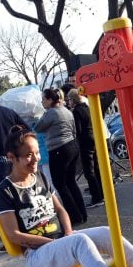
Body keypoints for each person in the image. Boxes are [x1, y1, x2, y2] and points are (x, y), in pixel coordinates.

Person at [0, 127, 133, 267]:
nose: (35, 159)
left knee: (107, 232)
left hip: (60, 243)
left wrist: (67, 233)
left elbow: (60, 209)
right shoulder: (4, 191)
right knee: (79, 242)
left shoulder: (39, 176)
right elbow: (14, 236)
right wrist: (57, 242)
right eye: (28, 155)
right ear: (11, 157)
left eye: (37, 153)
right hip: (38, 257)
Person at [34, 88, 88, 225]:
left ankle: (74, 216)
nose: (42, 102)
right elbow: (74, 129)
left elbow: (38, 127)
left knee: (60, 184)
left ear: (51, 100)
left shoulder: (51, 113)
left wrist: (39, 115)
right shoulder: (67, 110)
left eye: (43, 99)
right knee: (71, 182)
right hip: (72, 145)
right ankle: (82, 213)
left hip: (58, 149)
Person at [67, 89, 103, 208]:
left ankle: (96, 197)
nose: (68, 102)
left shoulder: (77, 111)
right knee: (97, 167)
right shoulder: (87, 107)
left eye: (69, 99)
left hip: (85, 141)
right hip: (94, 138)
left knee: (88, 170)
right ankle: (102, 193)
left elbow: (78, 129)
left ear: (73, 100)